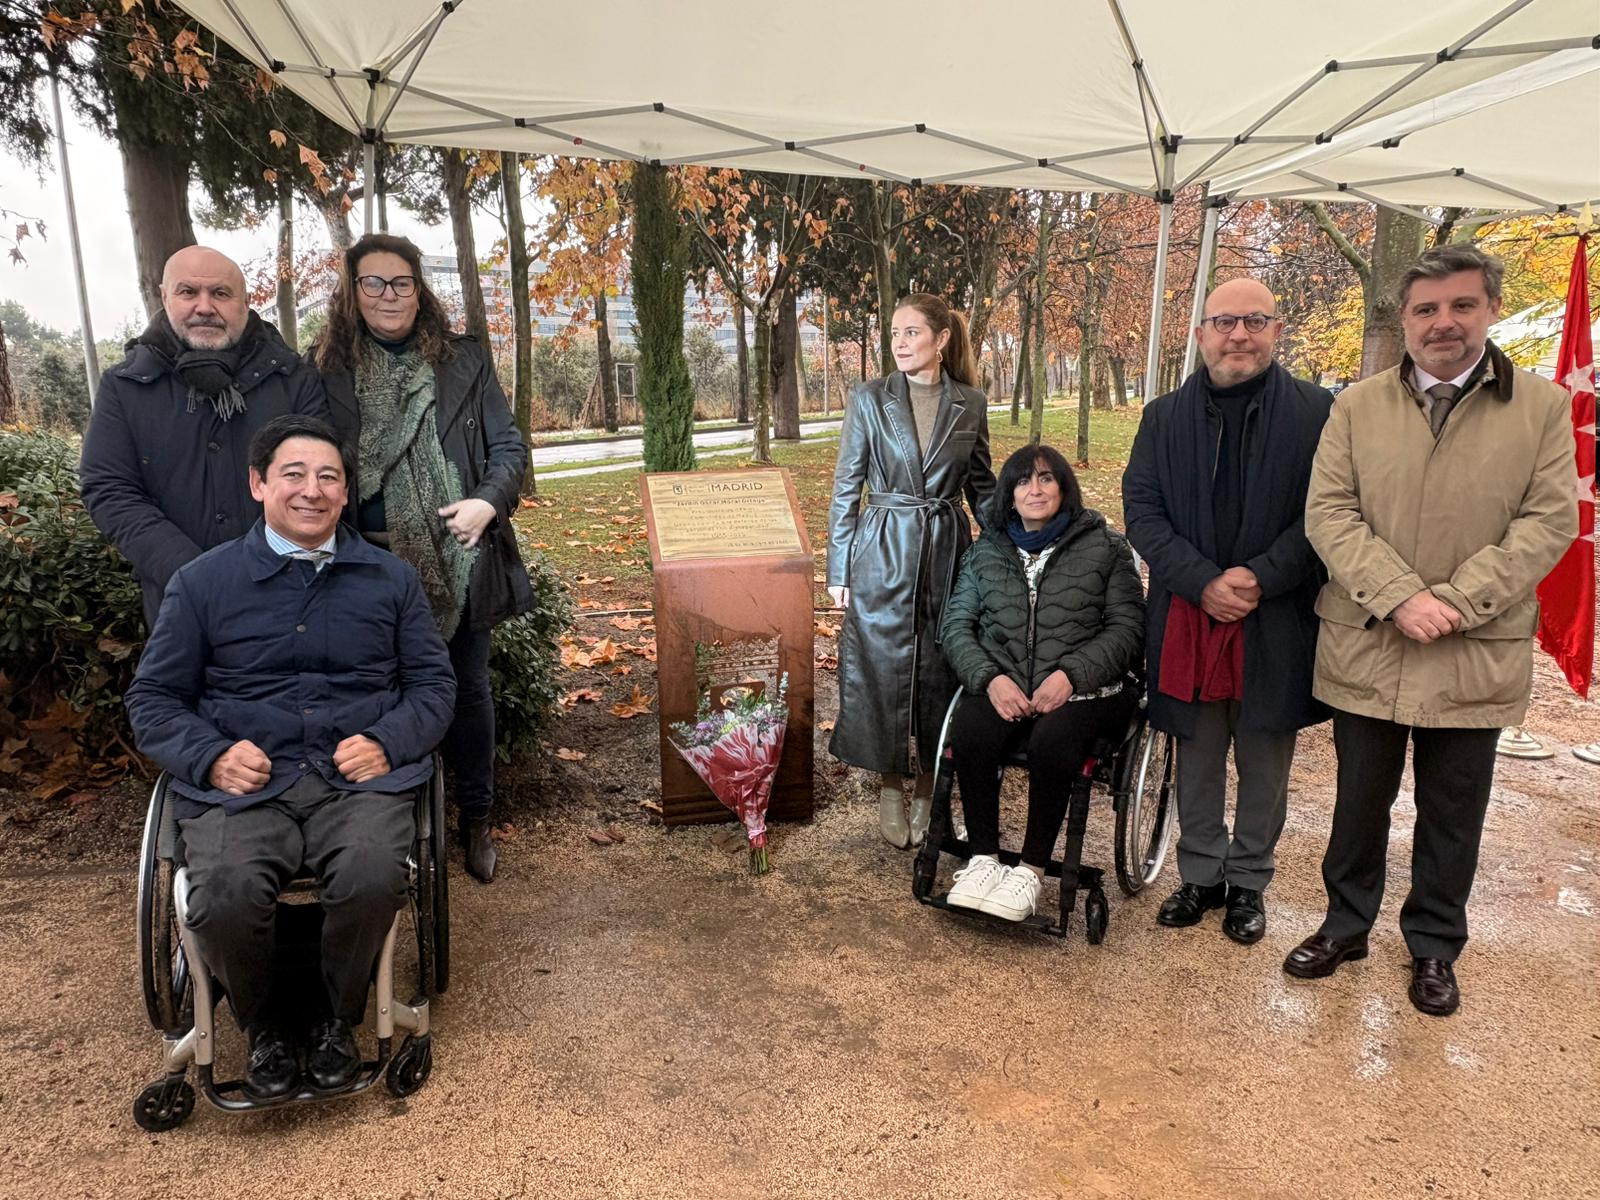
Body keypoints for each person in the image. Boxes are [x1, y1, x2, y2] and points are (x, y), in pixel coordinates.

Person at [125, 415, 456, 1100]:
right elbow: (153, 701)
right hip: (244, 787)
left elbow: (433, 686)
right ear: (258, 484)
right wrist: (211, 756)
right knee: (220, 895)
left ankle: (337, 1019)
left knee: (372, 875)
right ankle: (266, 1022)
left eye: (329, 476)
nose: (313, 490)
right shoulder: (202, 584)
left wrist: (389, 741)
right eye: (294, 474)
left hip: (359, 781)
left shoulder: (390, 581)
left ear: (344, 491)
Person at [1285, 245, 1578, 1017]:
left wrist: (1454, 601)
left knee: (1454, 811)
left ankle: (1434, 946)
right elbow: (1330, 512)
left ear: (1490, 310)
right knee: (1358, 804)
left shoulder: (1543, 408)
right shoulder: (1356, 405)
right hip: (1369, 641)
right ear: (1406, 319)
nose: (1442, 322)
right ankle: (1345, 926)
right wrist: (1398, 596)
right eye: (1426, 309)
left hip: (1472, 651)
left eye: (1460, 306)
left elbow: (1550, 522)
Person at [313, 234, 533, 885]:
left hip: (458, 560)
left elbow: (510, 449)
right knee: (376, 696)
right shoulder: (326, 371)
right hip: (362, 566)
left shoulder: (464, 361)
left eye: (401, 282)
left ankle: (476, 819)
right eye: (373, 283)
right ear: (353, 293)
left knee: (467, 692)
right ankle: (389, 821)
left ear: (420, 288)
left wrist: (487, 504)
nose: (388, 295)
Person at [1122, 278, 1332, 944]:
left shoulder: (1318, 412)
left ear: (1277, 329)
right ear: (1200, 334)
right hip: (1188, 616)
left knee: (1266, 762)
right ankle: (1201, 874)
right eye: (1225, 322)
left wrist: (1261, 578)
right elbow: (1143, 514)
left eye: (1254, 320)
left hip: (1276, 618)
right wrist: (1203, 581)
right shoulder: (1162, 419)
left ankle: (1249, 883)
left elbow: (1326, 514)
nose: (1239, 334)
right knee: (1199, 755)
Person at [938, 445, 1144, 920]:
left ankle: (1030, 872)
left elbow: (1128, 629)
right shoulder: (986, 550)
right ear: (1008, 495)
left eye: (1047, 479)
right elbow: (957, 626)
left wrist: (1070, 677)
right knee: (972, 729)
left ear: (1063, 488)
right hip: (1005, 683)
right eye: (1023, 481)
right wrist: (989, 679)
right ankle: (984, 860)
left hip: (1089, 690)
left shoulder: (1106, 548)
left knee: (1053, 741)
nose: (1035, 489)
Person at [80, 246, 329, 630]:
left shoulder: (294, 380)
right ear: (164, 298)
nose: (205, 306)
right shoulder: (126, 387)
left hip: (290, 599)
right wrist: (194, 573)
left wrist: (266, 569)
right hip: (178, 601)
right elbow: (110, 489)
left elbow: (319, 480)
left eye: (221, 293)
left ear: (245, 303)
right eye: (187, 292)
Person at [826, 293, 996, 849]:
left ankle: (928, 785)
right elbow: (847, 487)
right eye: (894, 333)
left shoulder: (970, 403)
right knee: (882, 663)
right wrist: (839, 568)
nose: (899, 343)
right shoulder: (870, 399)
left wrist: (1016, 544)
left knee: (941, 666)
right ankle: (891, 783)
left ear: (942, 339)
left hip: (948, 549)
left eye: (911, 333)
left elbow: (983, 488)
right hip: (882, 548)